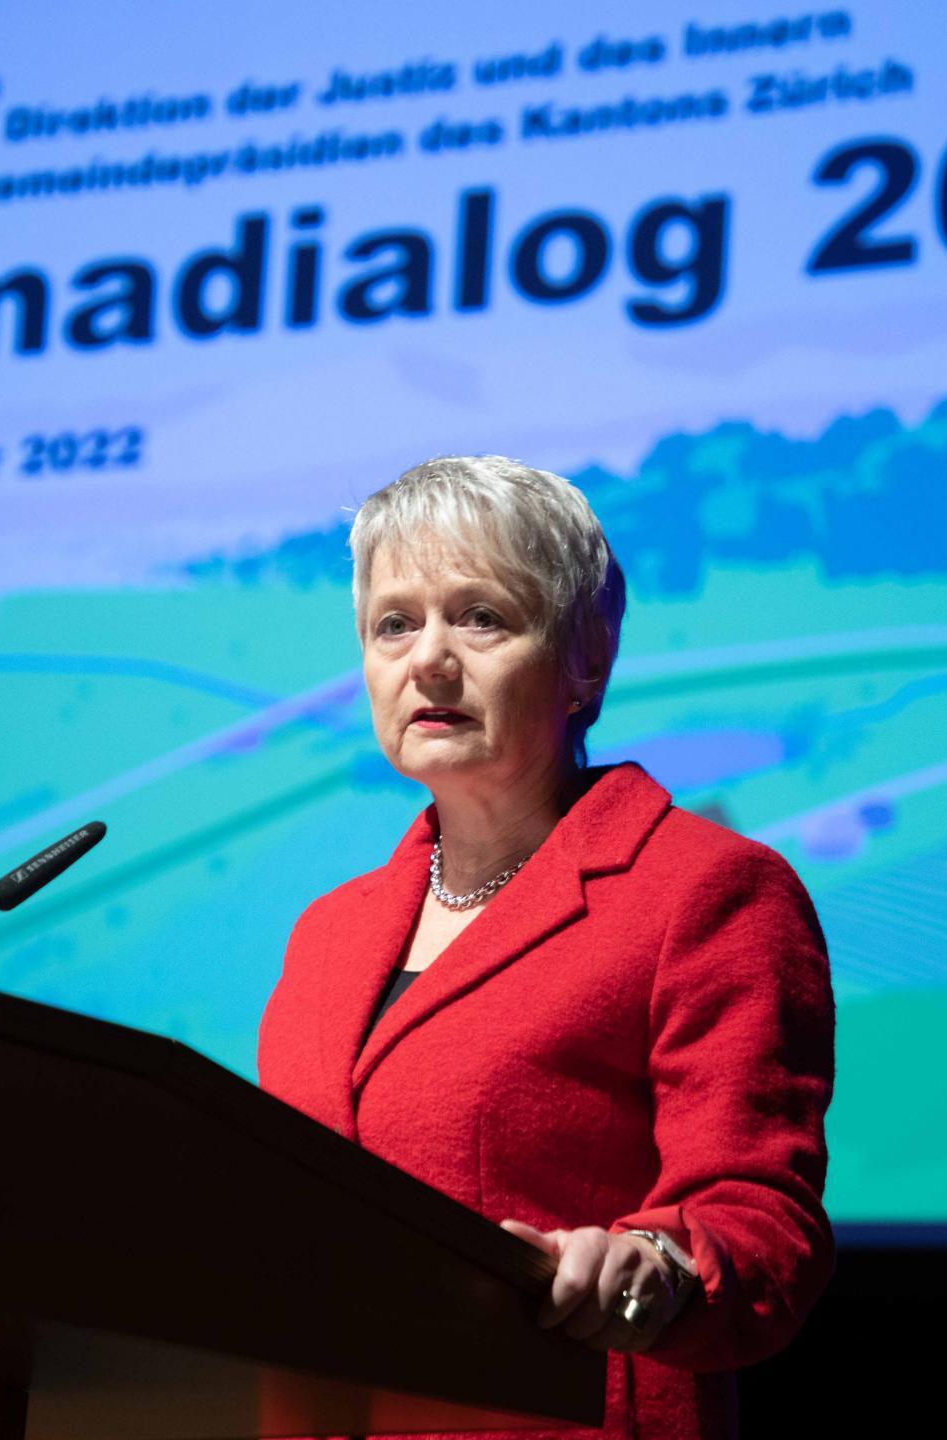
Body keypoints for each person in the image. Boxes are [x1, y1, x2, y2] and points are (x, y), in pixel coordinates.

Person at [257, 456, 834, 1440]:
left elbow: (761, 1221)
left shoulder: (703, 889)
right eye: (395, 624)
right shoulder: (328, 933)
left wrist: (658, 1268)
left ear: (586, 660)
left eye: (480, 617)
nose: (428, 660)